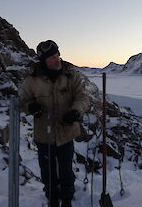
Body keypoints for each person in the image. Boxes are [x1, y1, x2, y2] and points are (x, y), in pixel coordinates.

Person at [20, 40, 90, 207]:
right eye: (51, 57)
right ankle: (51, 197)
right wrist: (31, 107)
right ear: (43, 60)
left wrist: (76, 111)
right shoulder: (32, 80)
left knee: (66, 169)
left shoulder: (71, 76)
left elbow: (83, 97)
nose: (56, 59)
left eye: (57, 54)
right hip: (44, 135)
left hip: (66, 133)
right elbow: (22, 101)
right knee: (47, 171)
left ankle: (67, 197)